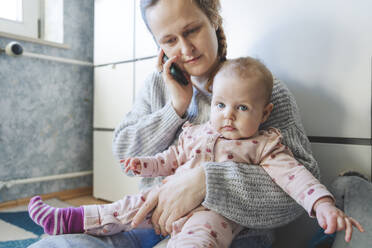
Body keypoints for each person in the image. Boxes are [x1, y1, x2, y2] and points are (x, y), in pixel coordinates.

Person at [29, 0, 324, 247]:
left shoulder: (259, 92)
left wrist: (206, 181)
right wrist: (175, 108)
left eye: (192, 30)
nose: (185, 49)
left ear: (214, 20)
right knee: (56, 244)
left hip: (226, 235)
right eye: (169, 40)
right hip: (145, 224)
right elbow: (124, 153)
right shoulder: (157, 87)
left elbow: (297, 188)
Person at [27, 57, 364, 247]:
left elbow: (296, 178)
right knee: (128, 207)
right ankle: (71, 218)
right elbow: (168, 160)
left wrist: (322, 203)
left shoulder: (264, 144)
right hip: (161, 208)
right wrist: (143, 163)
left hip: (214, 216)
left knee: (200, 238)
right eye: (220, 105)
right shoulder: (197, 131)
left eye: (242, 108)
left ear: (264, 113)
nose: (228, 115)